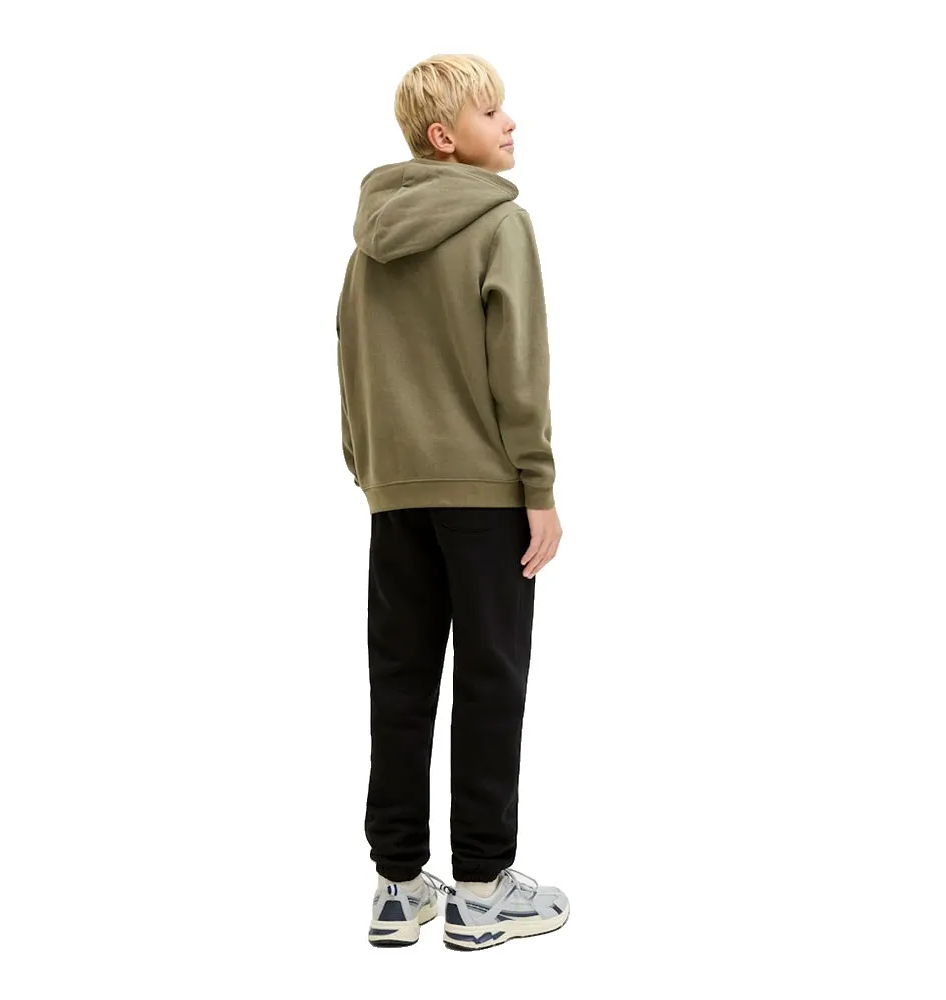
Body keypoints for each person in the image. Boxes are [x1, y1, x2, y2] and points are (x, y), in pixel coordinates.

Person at [335, 53, 569, 951]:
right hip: (485, 494)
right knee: (490, 680)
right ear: (445, 137)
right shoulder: (500, 223)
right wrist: (538, 486)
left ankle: (398, 888)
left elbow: (350, 355)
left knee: (399, 681)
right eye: (491, 111)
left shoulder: (368, 240)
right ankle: (479, 889)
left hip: (396, 497)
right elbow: (519, 368)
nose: (509, 122)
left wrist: (371, 471)